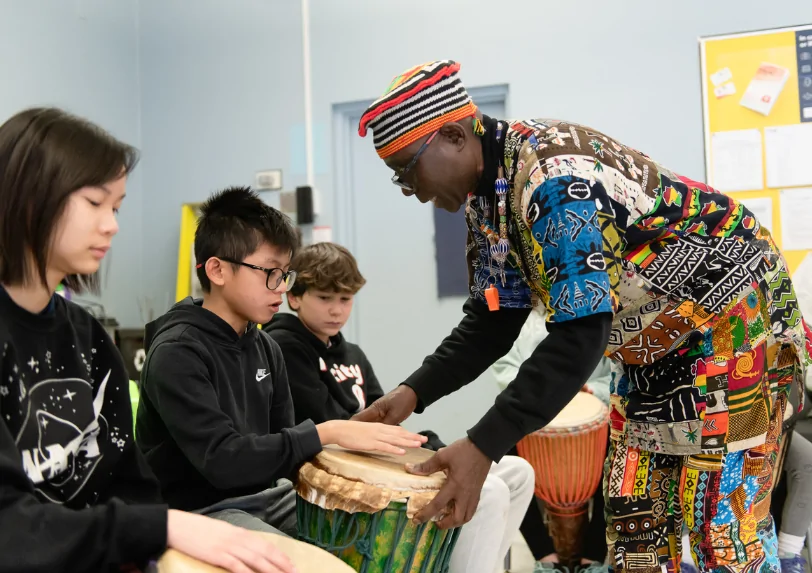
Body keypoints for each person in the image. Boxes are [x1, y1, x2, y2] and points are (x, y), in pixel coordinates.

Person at [352, 60, 812, 573]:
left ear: (455, 135)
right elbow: (492, 319)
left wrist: (482, 445)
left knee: (719, 528)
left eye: (407, 170)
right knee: (635, 518)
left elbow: (579, 335)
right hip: (651, 350)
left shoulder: (553, 179)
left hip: (735, 324)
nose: (411, 190)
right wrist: (411, 393)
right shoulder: (491, 198)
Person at [0, 107, 295, 573]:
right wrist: (164, 528)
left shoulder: (88, 338)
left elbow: (127, 481)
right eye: (96, 203)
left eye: (115, 207)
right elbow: (11, 530)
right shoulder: (178, 347)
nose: (112, 224)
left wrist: (156, 543)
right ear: (31, 199)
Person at [136, 187, 428, 538]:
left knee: (383, 534)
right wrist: (328, 432)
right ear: (217, 270)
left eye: (285, 273)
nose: (281, 286)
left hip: (268, 499)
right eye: (270, 272)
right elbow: (223, 461)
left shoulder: (264, 347)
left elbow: (282, 448)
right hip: (198, 512)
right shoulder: (177, 351)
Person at [265, 241, 537, 573]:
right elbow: (334, 431)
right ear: (294, 297)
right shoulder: (285, 347)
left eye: (345, 299)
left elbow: (384, 422)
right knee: (490, 490)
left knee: (519, 474)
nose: (337, 310)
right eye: (324, 298)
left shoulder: (352, 354)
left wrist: (424, 444)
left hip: (376, 460)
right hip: (342, 479)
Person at [490, 307, 611, 572]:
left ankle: (593, 557)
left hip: (595, 414)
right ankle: (545, 558)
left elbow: (615, 372)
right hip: (532, 412)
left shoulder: (599, 312)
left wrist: (591, 390)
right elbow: (505, 368)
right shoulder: (521, 320)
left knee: (616, 463)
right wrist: (541, 392)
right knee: (501, 462)